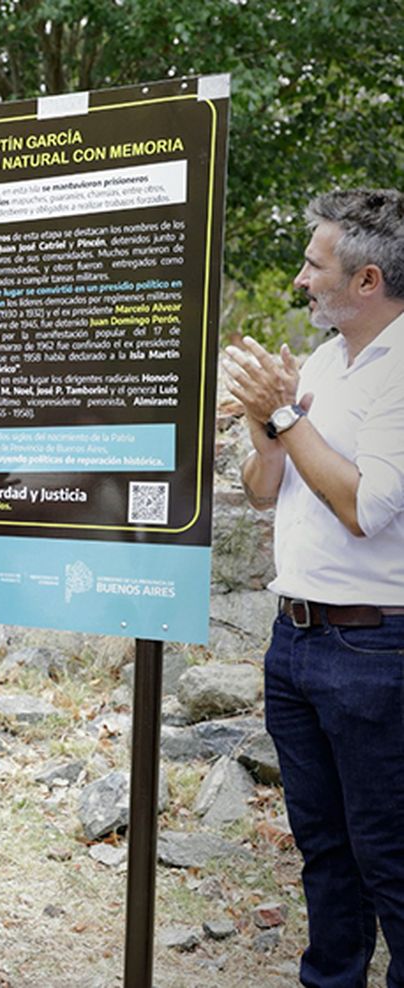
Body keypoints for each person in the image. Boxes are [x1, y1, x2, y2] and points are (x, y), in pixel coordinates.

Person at [223, 188, 404, 988]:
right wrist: (267, 421)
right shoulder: (326, 362)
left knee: (386, 852)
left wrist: (286, 416)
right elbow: (264, 489)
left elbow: (365, 507)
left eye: (313, 263)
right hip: (293, 641)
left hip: (372, 648)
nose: (300, 280)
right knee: (323, 848)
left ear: (367, 281)